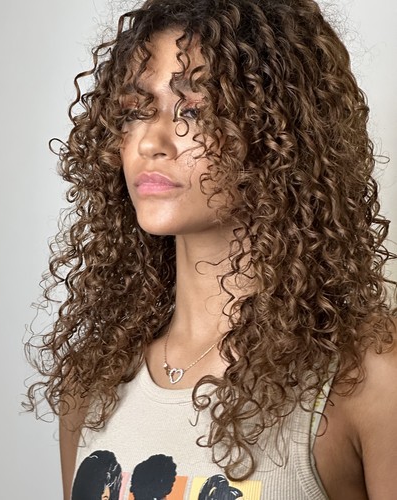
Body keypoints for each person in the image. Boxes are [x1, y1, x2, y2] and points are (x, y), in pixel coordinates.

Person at [25, 0, 397, 498]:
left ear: (276, 133)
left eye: (193, 111)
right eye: (135, 111)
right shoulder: (93, 381)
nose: (151, 142)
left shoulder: (366, 377)